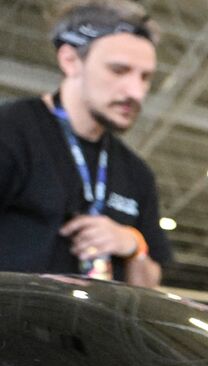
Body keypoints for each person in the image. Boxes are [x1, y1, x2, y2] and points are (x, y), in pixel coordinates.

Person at [0, 1, 172, 286]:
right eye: (119, 70)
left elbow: (149, 285)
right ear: (70, 60)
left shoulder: (137, 173)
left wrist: (133, 244)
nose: (136, 91)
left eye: (145, 77)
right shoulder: (11, 131)